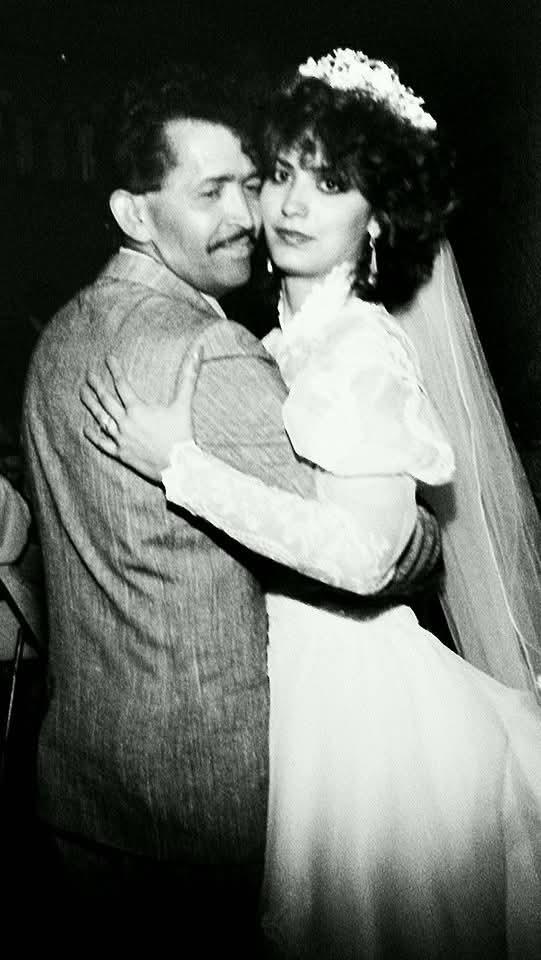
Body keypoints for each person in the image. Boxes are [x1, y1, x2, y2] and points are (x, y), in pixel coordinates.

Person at [84, 50, 541, 958]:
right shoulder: (287, 338)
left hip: (357, 704)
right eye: (281, 174)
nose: (290, 205)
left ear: (377, 219)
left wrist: (185, 468)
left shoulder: (358, 351)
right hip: (292, 687)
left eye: (329, 184)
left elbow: (369, 554)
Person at [21, 60, 441, 949]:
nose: (255, 213)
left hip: (81, 787)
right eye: (219, 190)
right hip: (196, 803)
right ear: (135, 213)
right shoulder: (214, 353)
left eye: (252, 184)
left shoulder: (59, 335)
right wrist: (427, 540)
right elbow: (384, 555)